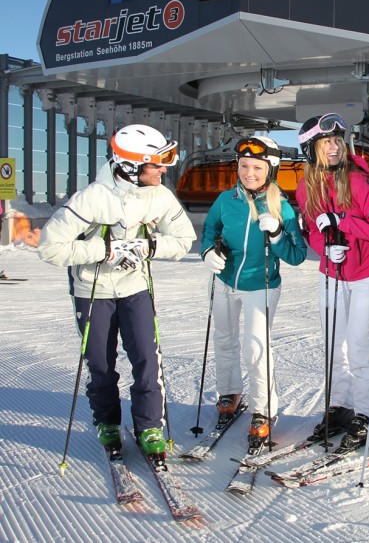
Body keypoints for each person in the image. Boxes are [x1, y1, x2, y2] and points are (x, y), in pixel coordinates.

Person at [38, 124, 196, 456]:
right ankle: (107, 422)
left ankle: (150, 427)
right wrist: (102, 251)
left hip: (135, 287)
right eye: (157, 163)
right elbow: (50, 247)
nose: (164, 169)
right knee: (100, 363)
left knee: (147, 361)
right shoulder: (94, 198)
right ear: (132, 165)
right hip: (93, 289)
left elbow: (183, 241)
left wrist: (148, 246)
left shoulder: (160, 195)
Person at [201, 136, 307, 452]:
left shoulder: (282, 207)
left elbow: (298, 254)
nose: (249, 173)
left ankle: (263, 409)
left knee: (256, 348)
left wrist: (276, 234)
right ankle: (230, 392)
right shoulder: (225, 200)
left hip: (261, 285)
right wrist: (207, 250)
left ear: (270, 169)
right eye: (244, 166)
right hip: (224, 281)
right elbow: (209, 229)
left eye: (257, 167)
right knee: (224, 339)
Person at [295, 113, 369, 451]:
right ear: (311, 149)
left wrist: (343, 221)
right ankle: (340, 406)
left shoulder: (360, 182)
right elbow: (311, 230)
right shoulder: (306, 187)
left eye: (337, 140)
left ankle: (368, 413)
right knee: (334, 344)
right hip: (332, 274)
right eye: (326, 142)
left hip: (367, 274)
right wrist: (326, 247)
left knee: (360, 344)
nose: (334, 147)